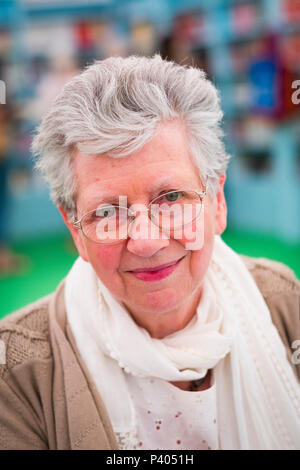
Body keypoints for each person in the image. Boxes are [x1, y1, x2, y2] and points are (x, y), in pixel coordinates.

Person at [0, 55, 299, 450]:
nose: (146, 240)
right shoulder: (17, 373)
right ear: (76, 231)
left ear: (218, 202)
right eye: (107, 212)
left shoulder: (284, 302)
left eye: (171, 197)